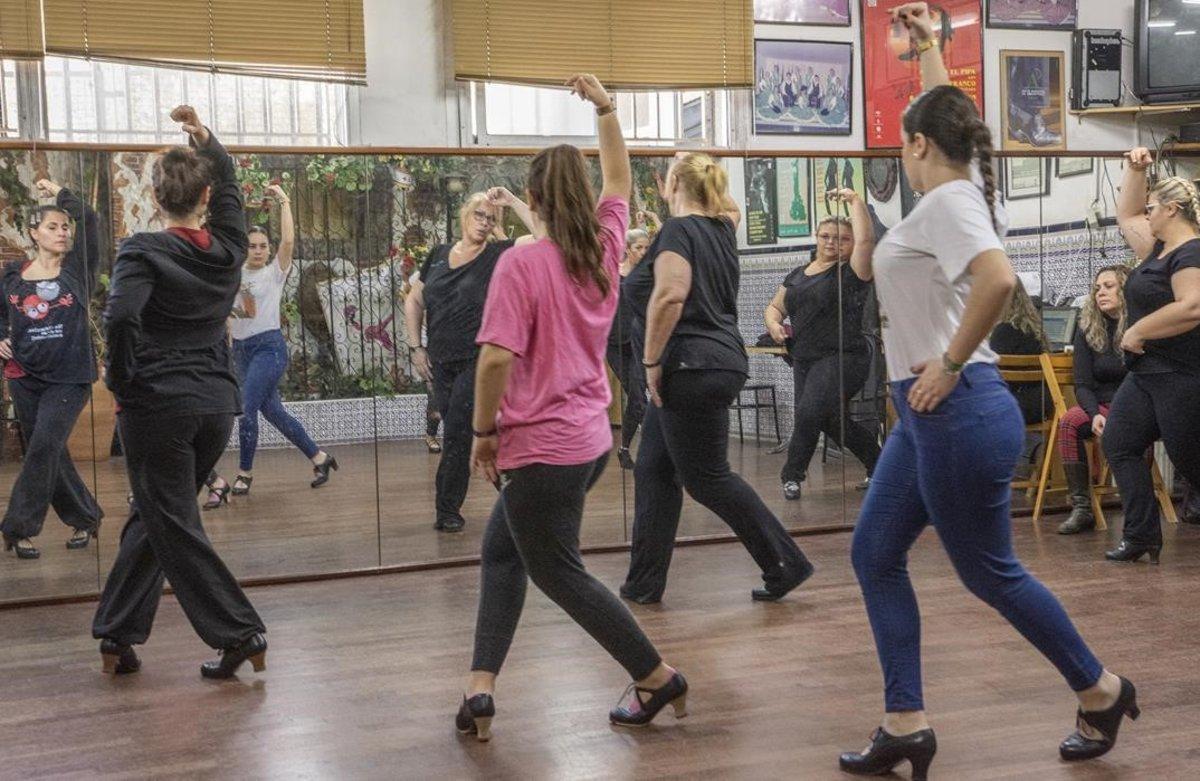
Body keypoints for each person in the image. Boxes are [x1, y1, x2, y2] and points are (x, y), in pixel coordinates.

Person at [839, 6, 1135, 778]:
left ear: (917, 147)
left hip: (956, 407)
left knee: (988, 573)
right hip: (929, 416)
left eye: (906, 144)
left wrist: (945, 360)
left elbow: (999, 279)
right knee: (874, 552)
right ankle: (905, 719)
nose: (902, 158)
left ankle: (1100, 689)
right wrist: (931, 50)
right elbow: (954, 122)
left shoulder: (948, 200)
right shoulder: (959, 185)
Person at [457, 74, 685, 742]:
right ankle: (480, 684)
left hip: (543, 447)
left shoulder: (521, 265)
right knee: (503, 551)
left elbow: (494, 359)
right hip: (588, 440)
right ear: (581, 197)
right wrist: (607, 107)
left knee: (558, 572)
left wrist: (481, 432)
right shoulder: (603, 247)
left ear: (530, 198)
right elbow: (621, 180)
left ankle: (655, 674)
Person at [91, 105, 267, 680]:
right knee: (157, 514)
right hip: (215, 403)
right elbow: (234, 193)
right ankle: (117, 633)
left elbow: (120, 319)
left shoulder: (142, 251)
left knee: (170, 518)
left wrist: (120, 378)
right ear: (207, 197)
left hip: (158, 404)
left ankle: (240, 631)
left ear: (154, 194)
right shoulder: (230, 247)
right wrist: (208, 140)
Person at [618, 151, 814, 606]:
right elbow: (729, 208)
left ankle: (784, 563)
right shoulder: (722, 230)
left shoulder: (678, 231)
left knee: (707, 478)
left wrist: (650, 363)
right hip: (714, 361)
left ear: (671, 186)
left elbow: (669, 296)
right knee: (653, 469)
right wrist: (694, 163)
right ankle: (644, 582)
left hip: (687, 365)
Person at [405, 187, 535, 533]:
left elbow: (545, 235)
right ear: (465, 216)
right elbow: (414, 301)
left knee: (459, 434)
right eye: (479, 214)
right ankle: (518, 496)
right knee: (464, 433)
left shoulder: (499, 254)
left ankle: (448, 509)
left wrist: (511, 202)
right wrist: (416, 347)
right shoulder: (438, 254)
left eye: (491, 218)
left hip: (479, 359)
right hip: (440, 362)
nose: (484, 221)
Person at [205, 185, 336, 505]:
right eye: (252, 246)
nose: (258, 250)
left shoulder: (274, 273)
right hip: (241, 351)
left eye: (263, 245)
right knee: (273, 411)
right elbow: (228, 310)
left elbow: (289, 241)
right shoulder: (233, 275)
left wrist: (285, 201)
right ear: (244, 248)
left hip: (269, 348)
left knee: (246, 411)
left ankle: (244, 473)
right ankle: (319, 457)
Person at [1103, 148, 1200, 562]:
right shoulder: (1156, 251)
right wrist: (1135, 169)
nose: (1147, 215)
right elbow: (1126, 216)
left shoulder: (1190, 252)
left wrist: (1138, 329)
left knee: (1191, 463)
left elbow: (1193, 305)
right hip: (1146, 374)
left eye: (1153, 208)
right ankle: (1142, 534)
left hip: (1182, 374)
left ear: (1172, 210)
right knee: (1119, 442)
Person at [0, 180, 104, 559]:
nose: (61, 233)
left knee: (43, 446)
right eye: (52, 227)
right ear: (34, 233)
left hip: (69, 377)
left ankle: (17, 527)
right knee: (51, 453)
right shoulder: (12, 276)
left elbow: (90, 220)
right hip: (24, 378)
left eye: (64, 227)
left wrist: (62, 194)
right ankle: (86, 516)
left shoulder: (77, 269)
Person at [764, 212, 880, 501]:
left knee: (808, 410)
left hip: (845, 357)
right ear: (816, 238)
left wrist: (855, 202)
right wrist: (774, 325)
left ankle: (792, 475)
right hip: (805, 358)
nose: (832, 243)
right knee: (831, 420)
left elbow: (867, 239)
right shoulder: (798, 274)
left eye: (842, 239)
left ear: (852, 244)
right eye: (826, 236)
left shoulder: (853, 273)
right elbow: (775, 308)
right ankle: (881, 465)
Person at [1056, 265, 1130, 535]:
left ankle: (1135, 503)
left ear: (1125, 290)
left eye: (1109, 286)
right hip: (1099, 405)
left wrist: (1118, 412)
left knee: (1138, 423)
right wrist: (1094, 413)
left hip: (1133, 403)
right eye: (1097, 288)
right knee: (1070, 421)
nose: (1101, 292)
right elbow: (1083, 383)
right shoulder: (1088, 329)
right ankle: (1081, 508)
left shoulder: (1140, 325)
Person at [607, 215, 655, 469]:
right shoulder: (613, 274)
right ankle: (651, 447)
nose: (644, 252)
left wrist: (653, 222)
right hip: (614, 345)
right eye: (639, 248)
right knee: (637, 398)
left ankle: (626, 448)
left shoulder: (647, 276)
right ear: (627, 249)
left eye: (647, 247)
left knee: (638, 399)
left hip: (638, 344)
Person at [988, 276, 1051, 426]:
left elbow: (991, 376)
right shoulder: (1035, 327)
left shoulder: (1003, 331)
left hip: (1014, 405)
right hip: (1042, 404)